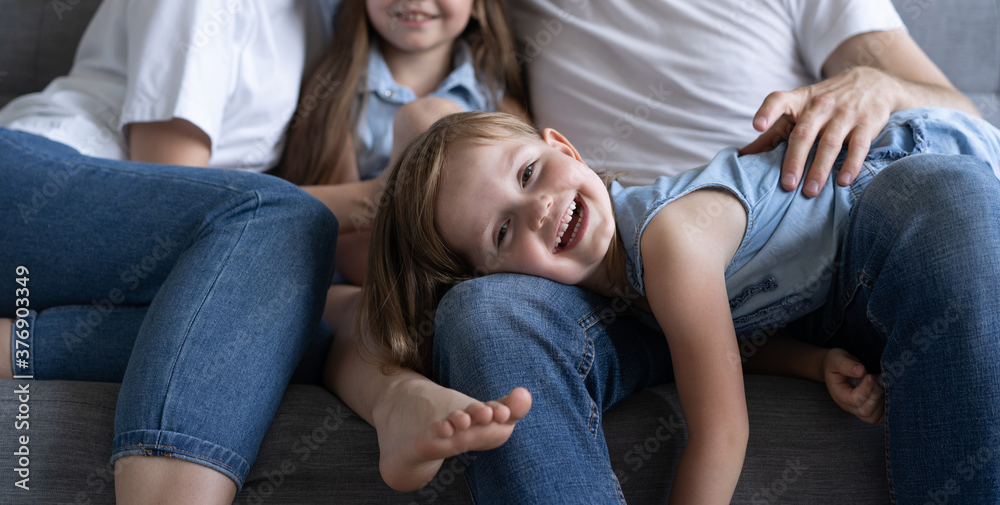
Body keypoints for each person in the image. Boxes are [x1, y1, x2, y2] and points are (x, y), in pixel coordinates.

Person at [420, 0, 999, 503]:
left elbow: (958, 114)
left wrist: (877, 86)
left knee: (953, 194)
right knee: (480, 309)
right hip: (609, 289)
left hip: (814, 261)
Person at [1, 0, 529, 503]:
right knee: (285, 225)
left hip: (127, 248)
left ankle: (15, 343)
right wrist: (388, 200)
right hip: (34, 182)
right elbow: (174, 183)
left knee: (314, 319)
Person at [359, 107, 1000, 502]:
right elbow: (725, 335)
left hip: (904, 166)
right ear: (487, 277)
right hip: (828, 289)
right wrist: (809, 362)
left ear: (565, 148)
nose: (539, 209)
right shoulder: (624, 288)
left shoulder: (670, 242)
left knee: (957, 215)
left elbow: (722, 434)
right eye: (501, 233)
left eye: (528, 173)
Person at [277, 0, 526, 283]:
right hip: (376, 285)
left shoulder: (492, 91)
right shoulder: (337, 94)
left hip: (481, 285)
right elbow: (339, 243)